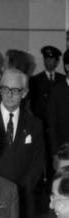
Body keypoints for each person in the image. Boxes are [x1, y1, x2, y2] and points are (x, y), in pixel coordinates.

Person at [0, 68, 45, 218]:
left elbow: (38, 161)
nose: (9, 95)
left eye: (15, 90)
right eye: (5, 89)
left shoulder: (34, 124)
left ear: (24, 93)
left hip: (22, 197)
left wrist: (22, 188)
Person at [47, 50, 69, 181]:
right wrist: (55, 154)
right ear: (67, 66)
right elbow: (52, 125)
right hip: (64, 152)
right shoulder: (56, 92)